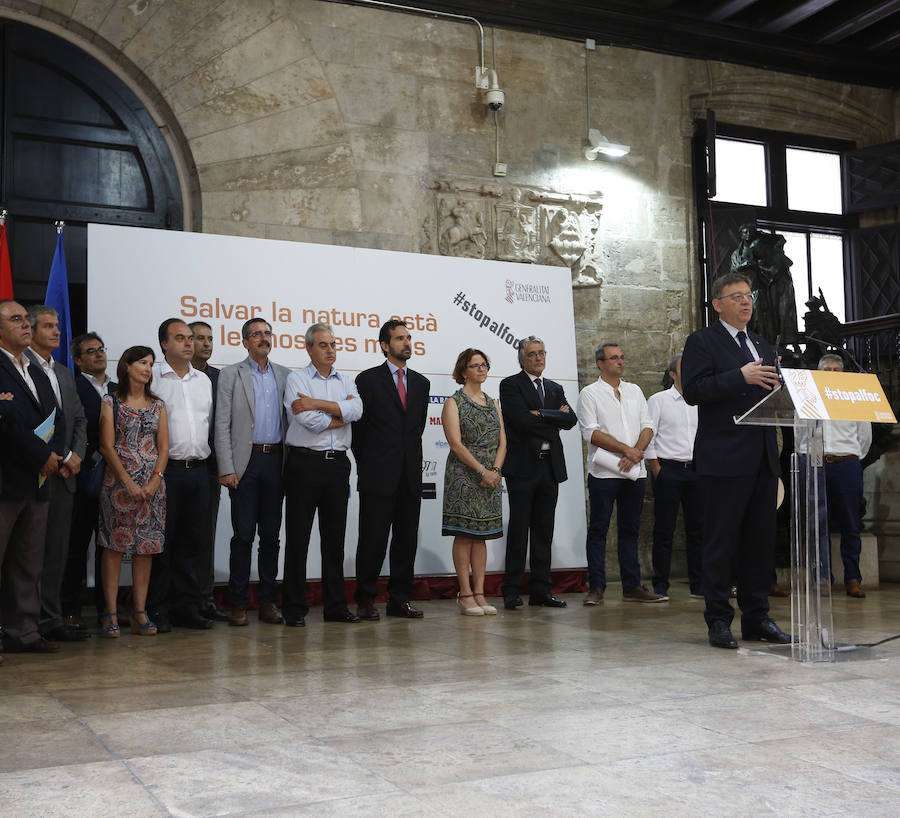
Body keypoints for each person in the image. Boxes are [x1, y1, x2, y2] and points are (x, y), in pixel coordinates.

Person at [681, 272, 791, 649]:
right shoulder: (702, 342)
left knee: (759, 545)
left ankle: (757, 618)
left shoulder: (761, 343)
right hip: (723, 460)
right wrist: (739, 376)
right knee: (721, 543)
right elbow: (695, 391)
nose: (746, 302)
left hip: (762, 458)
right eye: (737, 296)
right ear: (718, 304)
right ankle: (718, 620)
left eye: (749, 295)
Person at [282, 324, 362, 627]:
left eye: (333, 344)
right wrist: (337, 414)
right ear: (309, 349)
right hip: (304, 465)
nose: (331, 350)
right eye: (323, 345)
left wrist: (316, 403)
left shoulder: (347, 380)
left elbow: (357, 411)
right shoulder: (296, 379)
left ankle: (336, 607)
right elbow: (309, 421)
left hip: (338, 465)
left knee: (334, 541)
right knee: (298, 539)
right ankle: (294, 608)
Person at [0, 300, 67, 656]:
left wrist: (54, 454)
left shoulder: (38, 371)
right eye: (15, 319)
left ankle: (22, 633)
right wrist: (44, 456)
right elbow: (7, 423)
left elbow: (56, 417)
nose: (25, 325)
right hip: (5, 481)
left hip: (37, 482)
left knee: (28, 563)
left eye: (26, 319)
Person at [576, 343, 664, 605]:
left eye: (622, 357)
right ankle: (596, 587)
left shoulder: (634, 390)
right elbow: (590, 432)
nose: (620, 362)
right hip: (604, 471)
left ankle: (632, 586)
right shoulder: (590, 393)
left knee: (630, 530)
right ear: (600, 364)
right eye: (613, 358)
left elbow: (648, 426)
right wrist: (626, 449)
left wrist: (636, 451)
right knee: (599, 529)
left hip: (634, 472)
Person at [352, 320, 429, 621]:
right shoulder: (367, 380)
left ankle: (399, 598)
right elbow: (359, 431)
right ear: (385, 345)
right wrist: (370, 464)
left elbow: (416, 429)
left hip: (410, 475)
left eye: (408, 338)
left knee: (405, 540)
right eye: (399, 339)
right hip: (377, 475)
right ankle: (365, 599)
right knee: (372, 540)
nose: (406, 343)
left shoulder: (422, 383)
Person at [215, 318, 289, 626]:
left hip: (277, 463)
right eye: (256, 334)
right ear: (245, 342)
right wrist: (227, 468)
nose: (263, 338)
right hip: (245, 465)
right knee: (243, 536)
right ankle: (238, 603)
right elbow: (221, 424)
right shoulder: (231, 374)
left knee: (271, 537)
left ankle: (269, 601)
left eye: (267, 333)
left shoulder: (286, 375)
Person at [25, 306, 89, 643]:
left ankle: (49, 620)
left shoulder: (64, 373)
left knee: (56, 552)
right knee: (26, 553)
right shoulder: (19, 368)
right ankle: (23, 623)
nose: (56, 332)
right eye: (48, 326)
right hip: (33, 472)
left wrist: (75, 455)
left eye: (57, 326)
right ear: (30, 330)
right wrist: (48, 456)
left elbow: (79, 419)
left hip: (66, 474)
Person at [499, 336, 576, 610]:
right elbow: (519, 420)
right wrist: (552, 417)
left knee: (544, 531)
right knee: (519, 531)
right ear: (522, 359)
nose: (538, 358)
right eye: (532, 354)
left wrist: (540, 414)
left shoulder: (554, 387)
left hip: (549, 466)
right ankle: (511, 591)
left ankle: (541, 590)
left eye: (542, 353)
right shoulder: (510, 384)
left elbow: (571, 419)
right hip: (522, 468)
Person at [148, 318, 214, 631]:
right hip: (166, 472)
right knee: (163, 542)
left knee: (192, 541)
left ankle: (187, 607)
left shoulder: (203, 381)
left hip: (199, 471)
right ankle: (158, 608)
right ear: (164, 344)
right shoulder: (153, 380)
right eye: (180, 338)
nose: (189, 343)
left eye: (190, 338)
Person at [97, 346, 168, 637]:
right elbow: (106, 446)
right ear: (126, 366)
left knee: (146, 550)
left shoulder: (158, 405)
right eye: (142, 362)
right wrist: (127, 481)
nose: (148, 368)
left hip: (153, 489)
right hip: (118, 486)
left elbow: (164, 447)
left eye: (151, 364)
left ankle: (140, 611)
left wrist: (154, 481)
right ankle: (110, 613)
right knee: (114, 548)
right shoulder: (110, 402)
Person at [441, 348, 506, 616]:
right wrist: (482, 471)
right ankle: (465, 594)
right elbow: (456, 444)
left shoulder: (494, 403)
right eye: (476, 365)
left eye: (485, 364)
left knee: (482, 537)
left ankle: (480, 593)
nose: (482, 369)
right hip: (464, 475)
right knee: (465, 535)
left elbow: (503, 441)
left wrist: (495, 470)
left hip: (490, 476)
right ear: (464, 370)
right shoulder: (453, 402)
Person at [60, 333, 115, 630]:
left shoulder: (118, 388)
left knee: (110, 547)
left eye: (101, 350)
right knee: (77, 545)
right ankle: (70, 608)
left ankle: (108, 608)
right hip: (85, 476)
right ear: (78, 360)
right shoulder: (72, 386)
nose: (98, 355)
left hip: (118, 478)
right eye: (90, 352)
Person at [645, 353, 703, 600]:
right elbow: (649, 434)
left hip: (697, 470)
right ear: (672, 374)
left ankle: (699, 584)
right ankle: (660, 584)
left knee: (698, 530)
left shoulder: (701, 400)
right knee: (664, 530)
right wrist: (657, 469)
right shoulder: (659, 400)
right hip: (669, 469)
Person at [816, 354, 871, 598]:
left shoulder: (855, 399)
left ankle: (853, 579)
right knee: (819, 524)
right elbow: (802, 436)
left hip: (847, 464)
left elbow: (865, 436)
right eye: (827, 369)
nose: (833, 373)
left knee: (851, 523)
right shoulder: (810, 398)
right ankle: (824, 577)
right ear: (820, 373)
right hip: (818, 464)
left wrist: (852, 457)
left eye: (837, 369)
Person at [190, 320, 229, 622]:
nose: (206, 343)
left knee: (206, 537)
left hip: (210, 468)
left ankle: (204, 600)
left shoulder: (220, 378)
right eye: (199, 338)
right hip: (175, 468)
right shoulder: (168, 377)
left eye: (209, 339)